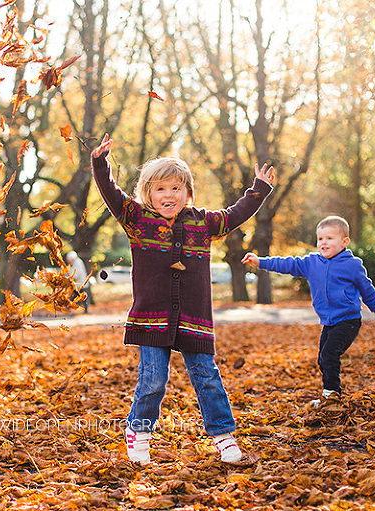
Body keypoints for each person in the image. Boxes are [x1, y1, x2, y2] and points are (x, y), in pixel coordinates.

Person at [90, 133, 275, 465]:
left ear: (187, 193)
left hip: (194, 317)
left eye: (176, 188)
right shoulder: (137, 220)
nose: (168, 195)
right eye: (160, 188)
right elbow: (112, 195)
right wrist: (101, 163)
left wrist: (258, 189)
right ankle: (139, 431)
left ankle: (223, 436)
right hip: (151, 316)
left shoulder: (202, 223)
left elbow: (234, 215)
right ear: (148, 193)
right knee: (153, 378)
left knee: (207, 376)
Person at [241, 215, 375, 408]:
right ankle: (330, 392)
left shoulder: (352, 265)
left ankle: (331, 396)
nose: (323, 242)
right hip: (328, 321)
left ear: (344, 242)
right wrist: (260, 262)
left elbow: (367, 290)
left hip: (348, 320)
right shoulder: (311, 262)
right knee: (323, 359)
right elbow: (286, 264)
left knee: (330, 354)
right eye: (320, 238)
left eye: (330, 238)